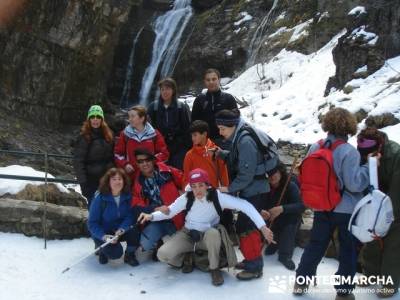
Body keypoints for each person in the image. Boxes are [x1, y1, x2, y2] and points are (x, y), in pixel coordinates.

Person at [138, 168, 275, 286]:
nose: (197, 190)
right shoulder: (187, 197)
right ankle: (189, 257)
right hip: (188, 234)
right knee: (163, 254)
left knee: (213, 233)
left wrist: (262, 227)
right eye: (194, 186)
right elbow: (169, 211)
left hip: (208, 236)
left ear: (207, 185)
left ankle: (214, 269)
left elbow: (245, 205)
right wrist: (151, 216)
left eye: (200, 185)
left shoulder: (218, 197)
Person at [293, 108, 370, 300]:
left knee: (316, 244)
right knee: (347, 249)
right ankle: (343, 292)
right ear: (349, 127)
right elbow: (354, 183)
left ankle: (301, 282)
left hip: (320, 205)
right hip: (345, 209)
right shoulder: (349, 152)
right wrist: (367, 169)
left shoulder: (315, 147)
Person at [214, 109, 275, 280]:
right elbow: (238, 159)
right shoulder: (238, 136)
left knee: (246, 226)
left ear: (232, 126)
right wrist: (220, 154)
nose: (220, 132)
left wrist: (230, 188)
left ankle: (255, 265)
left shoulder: (245, 141)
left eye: (222, 128)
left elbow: (246, 174)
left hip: (255, 190)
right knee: (245, 225)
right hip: (252, 189)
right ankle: (251, 260)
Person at [356, 127, 400, 298]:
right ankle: (370, 275)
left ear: (380, 147)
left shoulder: (396, 155)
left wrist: (387, 215)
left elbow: (398, 190)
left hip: (396, 206)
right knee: (372, 239)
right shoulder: (365, 152)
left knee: (393, 247)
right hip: (376, 203)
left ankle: (391, 283)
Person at [131, 148, 185, 259]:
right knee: (143, 245)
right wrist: (155, 209)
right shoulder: (138, 184)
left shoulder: (168, 172)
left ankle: (167, 241)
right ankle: (158, 241)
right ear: (137, 164)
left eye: (147, 160)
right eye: (140, 161)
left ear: (153, 160)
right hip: (156, 219)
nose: (144, 164)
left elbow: (186, 181)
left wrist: (183, 193)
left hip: (176, 217)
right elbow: (137, 206)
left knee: (179, 253)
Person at [87, 168, 140, 267]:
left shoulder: (127, 195)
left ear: (124, 181)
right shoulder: (100, 198)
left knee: (134, 230)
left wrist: (122, 228)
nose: (117, 182)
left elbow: (130, 215)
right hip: (104, 232)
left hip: (119, 229)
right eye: (114, 179)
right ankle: (102, 250)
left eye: (120, 179)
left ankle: (129, 254)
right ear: (108, 182)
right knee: (115, 253)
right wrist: (104, 236)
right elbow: (92, 223)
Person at [261, 162, 305, 270]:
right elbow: (260, 204)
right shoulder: (264, 187)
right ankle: (274, 244)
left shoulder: (290, 186)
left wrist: (282, 209)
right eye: (269, 174)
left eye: (275, 173)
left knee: (289, 226)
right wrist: (263, 212)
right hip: (272, 219)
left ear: (281, 173)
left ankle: (285, 256)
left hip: (288, 217)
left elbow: (301, 206)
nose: (272, 176)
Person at [73, 105, 114, 207]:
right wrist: (83, 183)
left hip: (106, 179)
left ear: (102, 119)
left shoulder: (108, 135)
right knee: (94, 209)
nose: (95, 120)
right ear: (89, 119)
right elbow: (78, 161)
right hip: (91, 180)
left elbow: (112, 155)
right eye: (92, 117)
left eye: (98, 117)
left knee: (106, 209)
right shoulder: (84, 137)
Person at [114, 105, 169, 180]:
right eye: (129, 116)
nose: (129, 119)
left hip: (150, 175)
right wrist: (125, 164)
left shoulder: (155, 134)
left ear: (142, 118)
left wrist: (151, 163)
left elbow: (164, 153)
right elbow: (117, 154)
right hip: (131, 176)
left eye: (132, 116)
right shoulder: (124, 134)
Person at [147, 78, 191, 170]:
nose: (164, 92)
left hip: (178, 147)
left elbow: (187, 129)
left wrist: (186, 147)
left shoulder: (181, 107)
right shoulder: (153, 107)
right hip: (159, 146)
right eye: (162, 89)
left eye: (167, 89)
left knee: (178, 171)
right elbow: (148, 128)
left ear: (173, 90)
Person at [191, 68, 238, 145]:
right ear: (204, 82)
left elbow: (236, 122)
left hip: (225, 142)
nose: (211, 82)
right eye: (208, 80)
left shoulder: (229, 99)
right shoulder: (199, 100)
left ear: (219, 80)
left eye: (214, 79)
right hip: (204, 142)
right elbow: (194, 123)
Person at [183, 120, 229, 188]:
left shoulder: (216, 151)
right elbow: (186, 178)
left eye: (195, 135)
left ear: (204, 134)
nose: (192, 138)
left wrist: (225, 189)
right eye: (192, 135)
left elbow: (223, 173)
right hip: (197, 194)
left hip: (213, 192)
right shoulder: (189, 155)